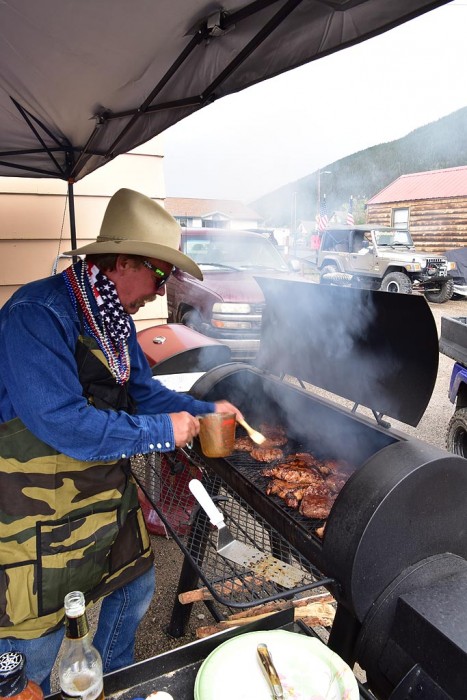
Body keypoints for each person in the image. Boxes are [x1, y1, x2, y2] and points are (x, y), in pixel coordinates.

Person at [0, 188, 243, 693]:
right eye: (159, 274)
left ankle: (114, 682)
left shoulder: (111, 317)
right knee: (40, 638)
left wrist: (205, 410)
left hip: (101, 488)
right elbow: (63, 422)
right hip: (37, 508)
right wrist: (162, 432)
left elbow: (143, 393)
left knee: (135, 586)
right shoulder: (37, 313)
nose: (161, 290)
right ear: (124, 261)